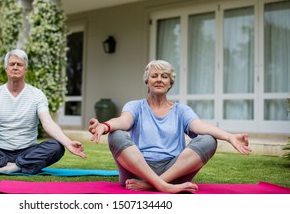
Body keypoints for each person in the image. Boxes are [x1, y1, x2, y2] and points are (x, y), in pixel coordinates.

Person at [89, 60, 251, 193]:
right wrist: (105, 126)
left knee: (209, 140)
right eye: (154, 76)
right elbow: (123, 121)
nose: (159, 79)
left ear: (170, 83)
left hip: (174, 170)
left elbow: (199, 126)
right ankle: (163, 185)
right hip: (137, 171)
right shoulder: (135, 106)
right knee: (116, 134)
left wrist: (229, 137)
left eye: (164, 76)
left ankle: (154, 184)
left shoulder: (181, 110)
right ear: (147, 81)